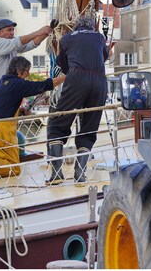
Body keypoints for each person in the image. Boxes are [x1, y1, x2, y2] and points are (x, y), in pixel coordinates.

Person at [46, 15, 111, 186]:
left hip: (76, 79)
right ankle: (80, 174)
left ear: (75, 26)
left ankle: (56, 174)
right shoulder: (99, 37)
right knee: (89, 127)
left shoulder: (66, 39)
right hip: (99, 82)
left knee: (57, 124)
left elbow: (63, 65)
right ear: (91, 26)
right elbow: (104, 57)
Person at [0, 57, 65, 177]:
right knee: (14, 168)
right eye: (27, 70)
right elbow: (44, 85)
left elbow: (3, 103)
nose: (28, 74)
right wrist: (67, 77)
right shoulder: (17, 83)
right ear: (18, 70)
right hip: (2, 132)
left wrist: (19, 110)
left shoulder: (2, 81)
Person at [0, 19, 53, 118]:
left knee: (4, 120)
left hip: (1, 88)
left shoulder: (10, 44)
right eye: (9, 30)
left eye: (13, 30)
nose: (12, 33)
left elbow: (31, 44)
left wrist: (47, 33)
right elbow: (18, 42)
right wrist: (39, 32)